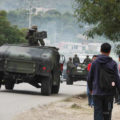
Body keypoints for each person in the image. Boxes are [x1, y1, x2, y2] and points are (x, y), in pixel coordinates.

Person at [88, 43, 120, 120]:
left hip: (97, 92)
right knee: (107, 114)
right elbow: (117, 79)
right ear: (109, 51)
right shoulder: (113, 63)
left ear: (100, 50)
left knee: (98, 113)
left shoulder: (94, 63)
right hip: (109, 93)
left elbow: (89, 78)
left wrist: (91, 89)